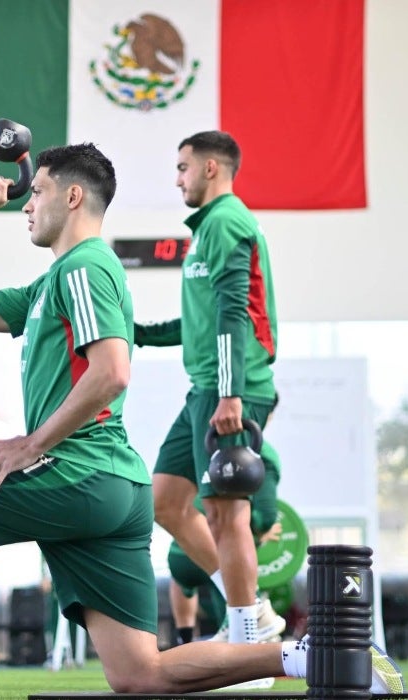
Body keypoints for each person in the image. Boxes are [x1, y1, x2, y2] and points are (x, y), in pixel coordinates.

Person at [0, 143, 402, 699]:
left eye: (38, 192)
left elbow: (112, 372)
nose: (27, 206)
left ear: (73, 196)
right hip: (114, 490)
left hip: (79, 472)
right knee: (140, 674)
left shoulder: (83, 267)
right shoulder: (53, 281)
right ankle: (319, 653)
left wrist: (32, 444)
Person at [135, 130, 281, 646]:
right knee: (166, 501)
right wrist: (135, 334)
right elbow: (200, 321)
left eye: (183, 168)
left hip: (231, 392)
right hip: (205, 389)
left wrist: (230, 393)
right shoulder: (205, 232)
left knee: (224, 512)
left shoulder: (228, 222)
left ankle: (246, 636)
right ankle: (254, 613)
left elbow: (231, 312)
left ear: (211, 168)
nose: (178, 179)